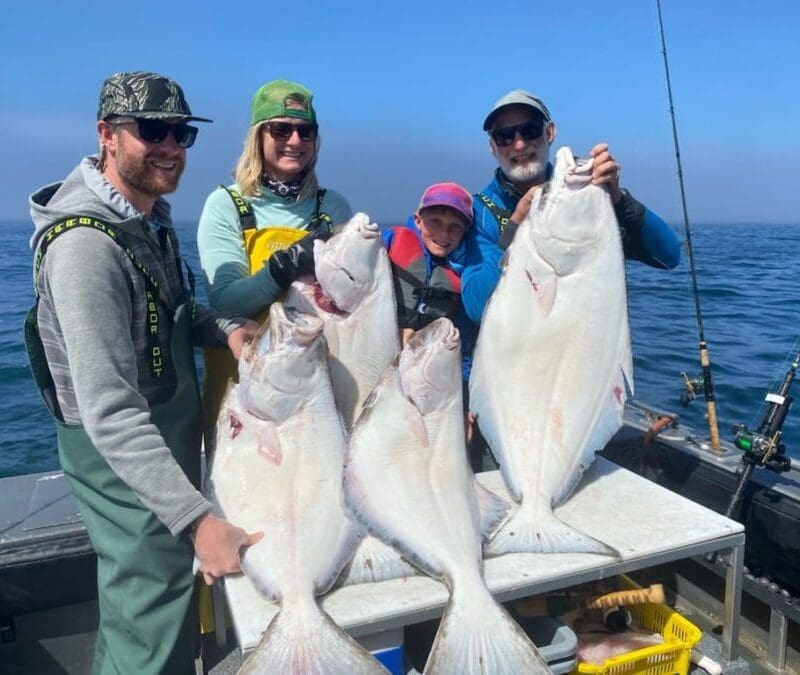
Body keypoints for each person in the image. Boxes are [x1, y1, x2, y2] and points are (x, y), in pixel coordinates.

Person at [26, 71, 262, 675]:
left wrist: (227, 329)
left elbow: (174, 313)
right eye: (153, 130)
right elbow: (108, 411)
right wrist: (198, 521)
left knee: (151, 618)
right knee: (151, 625)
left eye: (181, 133)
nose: (171, 146)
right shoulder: (85, 248)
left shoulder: (148, 217)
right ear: (107, 134)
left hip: (167, 444)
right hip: (125, 465)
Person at [197, 78, 352, 430]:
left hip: (316, 396)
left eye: (305, 131)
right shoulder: (226, 205)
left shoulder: (334, 206)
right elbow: (224, 301)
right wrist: (280, 272)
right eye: (280, 130)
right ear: (258, 137)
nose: (294, 141)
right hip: (245, 401)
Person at [462, 89, 682, 322]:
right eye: (504, 136)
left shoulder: (588, 197)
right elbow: (477, 307)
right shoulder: (479, 213)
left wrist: (618, 199)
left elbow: (668, 255)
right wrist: (515, 224)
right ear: (492, 147)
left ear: (550, 133)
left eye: (530, 130)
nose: (519, 144)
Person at [382, 182, 482, 468]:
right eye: (435, 222)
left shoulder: (463, 278)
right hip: (380, 368)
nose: (443, 234)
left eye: (454, 227)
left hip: (425, 384)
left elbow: (463, 349)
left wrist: (462, 408)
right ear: (417, 220)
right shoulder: (389, 243)